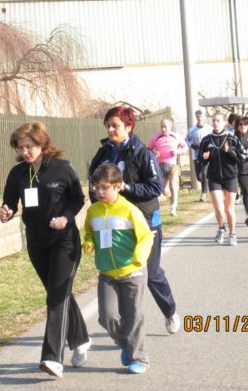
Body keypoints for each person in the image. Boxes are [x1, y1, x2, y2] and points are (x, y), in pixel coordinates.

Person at [0, 121, 90, 378]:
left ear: (42, 144)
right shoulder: (18, 173)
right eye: (20, 147)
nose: (25, 151)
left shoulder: (63, 168)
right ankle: (81, 339)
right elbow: (10, 202)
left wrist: (66, 218)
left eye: (30, 146)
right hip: (37, 243)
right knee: (57, 293)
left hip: (64, 242)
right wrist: (6, 211)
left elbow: (78, 198)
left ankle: (52, 358)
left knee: (56, 298)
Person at [89, 106, 180, 334]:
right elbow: (94, 183)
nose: (110, 130)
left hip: (144, 222)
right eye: (108, 126)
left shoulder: (143, 153)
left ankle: (169, 311)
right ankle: (127, 329)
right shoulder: (103, 153)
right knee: (119, 274)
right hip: (115, 225)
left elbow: (155, 187)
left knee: (151, 275)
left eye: (115, 125)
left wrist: (127, 188)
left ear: (129, 127)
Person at [83, 163, 154, 374]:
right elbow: (89, 233)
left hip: (133, 272)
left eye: (105, 187)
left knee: (134, 316)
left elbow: (146, 236)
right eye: (96, 187)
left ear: (117, 186)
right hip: (107, 274)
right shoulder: (93, 212)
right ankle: (125, 344)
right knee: (107, 317)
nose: (99, 192)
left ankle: (139, 358)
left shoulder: (130, 209)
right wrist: (89, 242)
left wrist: (139, 258)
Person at [198, 112, 247, 246]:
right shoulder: (206, 140)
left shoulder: (232, 138)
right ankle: (221, 228)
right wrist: (204, 158)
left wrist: (230, 151)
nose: (215, 123)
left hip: (230, 177)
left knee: (229, 209)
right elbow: (200, 159)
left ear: (224, 123)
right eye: (213, 121)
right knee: (219, 209)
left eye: (218, 121)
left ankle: (232, 234)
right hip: (214, 178)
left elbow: (243, 156)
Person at [148, 118, 188, 216]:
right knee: (162, 189)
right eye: (162, 127)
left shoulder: (176, 136)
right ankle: (169, 197)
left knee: (173, 186)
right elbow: (148, 150)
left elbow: (185, 147)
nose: (163, 129)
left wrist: (177, 151)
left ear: (170, 127)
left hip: (172, 165)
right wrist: (154, 153)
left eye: (165, 127)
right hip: (160, 166)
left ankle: (173, 209)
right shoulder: (156, 137)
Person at [185, 109, 212, 202]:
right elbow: (187, 140)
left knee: (204, 173)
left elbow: (213, 139)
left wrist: (209, 149)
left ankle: (203, 194)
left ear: (205, 117)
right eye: (198, 116)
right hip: (196, 155)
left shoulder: (209, 129)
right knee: (199, 176)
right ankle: (208, 182)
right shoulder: (192, 130)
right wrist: (192, 145)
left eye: (201, 116)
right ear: (196, 117)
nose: (200, 118)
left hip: (207, 154)